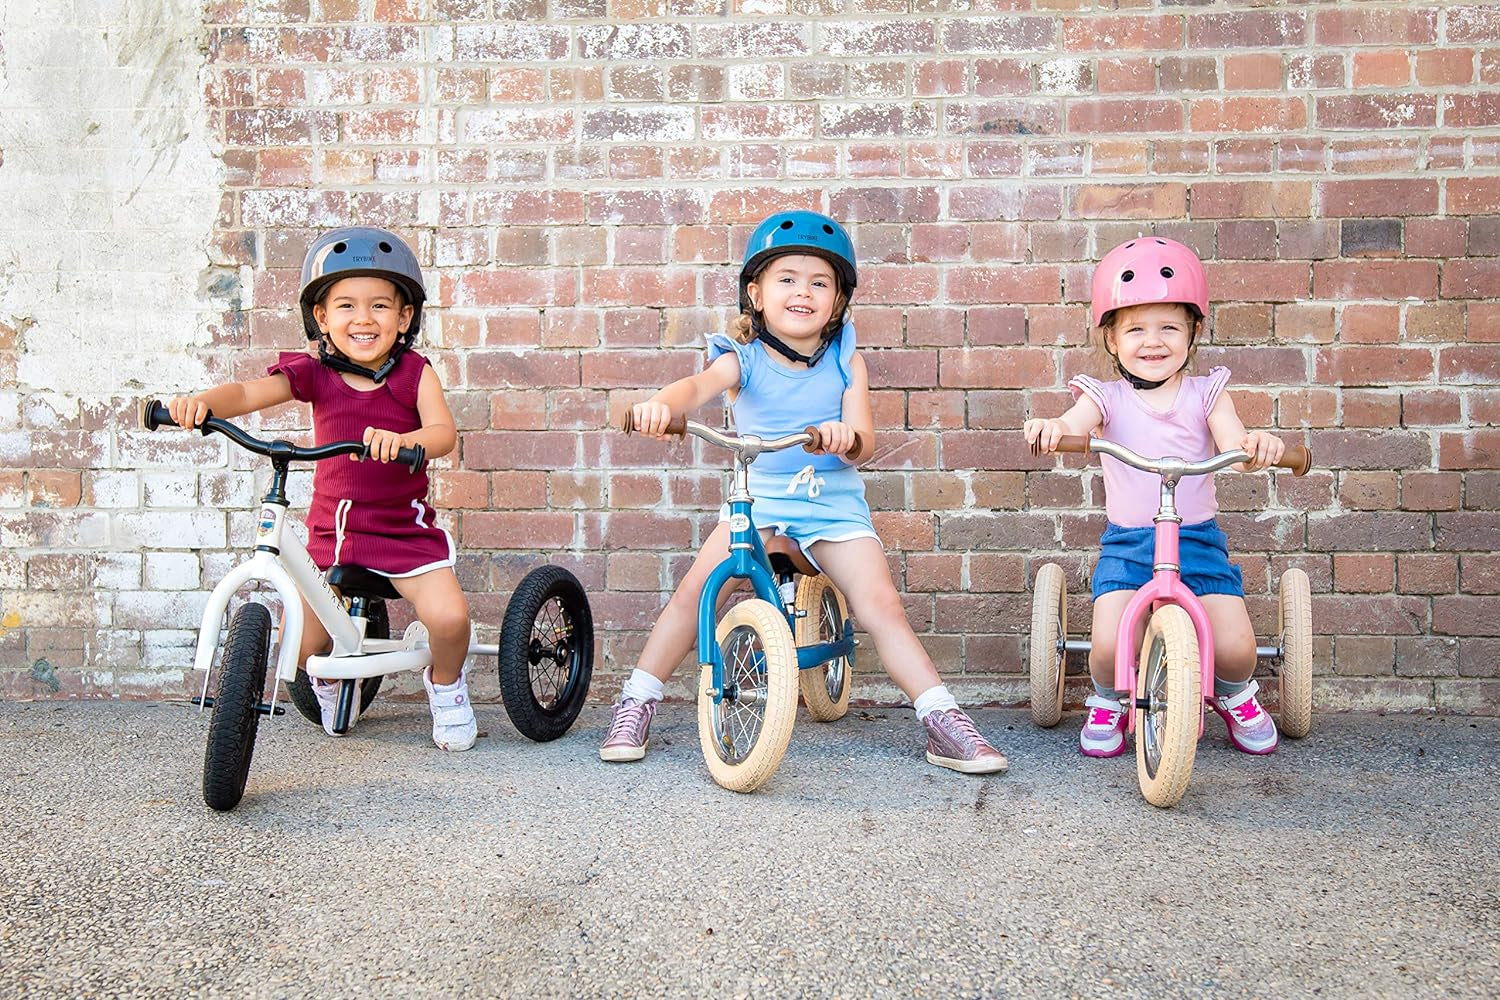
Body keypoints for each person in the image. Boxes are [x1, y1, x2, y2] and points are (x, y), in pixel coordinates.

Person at [601, 210, 1008, 775]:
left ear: (837, 300)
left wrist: (847, 438)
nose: (803, 292)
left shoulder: (846, 361)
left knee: (881, 605)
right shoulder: (739, 358)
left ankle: (942, 717)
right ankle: (638, 699)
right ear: (757, 294)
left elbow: (864, 441)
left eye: (820, 282)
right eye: (787, 279)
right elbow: (697, 386)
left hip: (830, 501)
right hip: (760, 497)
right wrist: (661, 407)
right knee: (696, 591)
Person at [167, 227, 476, 751]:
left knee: (449, 619)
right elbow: (248, 392)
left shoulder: (414, 374)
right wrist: (203, 403)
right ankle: (329, 678)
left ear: (404, 318)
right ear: (321, 317)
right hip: (332, 533)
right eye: (346, 305)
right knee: (306, 645)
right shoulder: (314, 373)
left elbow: (443, 433)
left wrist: (403, 440)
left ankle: (446, 687)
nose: (363, 318)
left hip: (402, 532)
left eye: (380, 305)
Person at [1023, 236, 1286, 758]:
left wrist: (1254, 445)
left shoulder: (1206, 393)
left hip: (1198, 541)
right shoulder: (1106, 397)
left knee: (1236, 648)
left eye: (1169, 326)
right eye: (1136, 328)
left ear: (1193, 332)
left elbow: (1232, 438)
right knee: (1106, 646)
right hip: (1130, 545)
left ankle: (1233, 693)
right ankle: (1108, 698)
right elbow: (1077, 423)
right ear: (1112, 340)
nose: (1153, 341)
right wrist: (1056, 426)